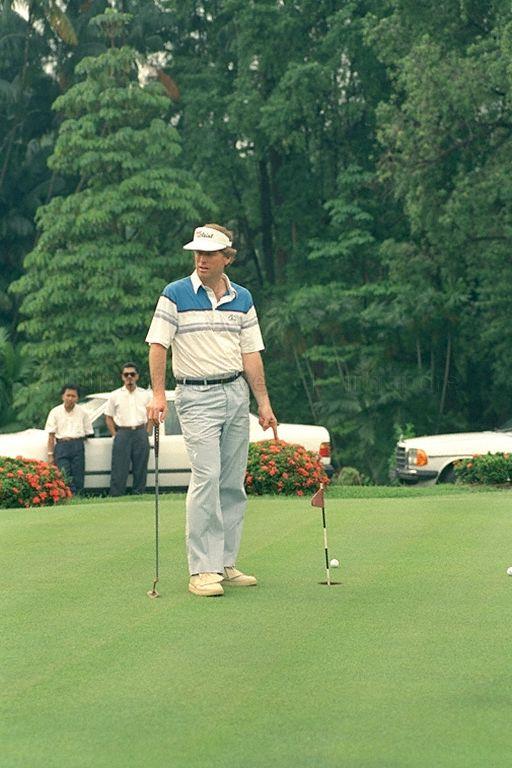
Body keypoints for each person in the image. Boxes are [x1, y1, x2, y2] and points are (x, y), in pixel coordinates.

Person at [146, 223, 278, 597]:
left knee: (232, 482)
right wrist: (158, 395)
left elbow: (251, 354)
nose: (201, 259)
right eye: (197, 253)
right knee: (207, 476)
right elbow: (158, 345)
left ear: (227, 257)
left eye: (209, 253)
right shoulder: (174, 294)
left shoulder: (242, 298)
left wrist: (264, 403)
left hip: (236, 393)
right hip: (195, 395)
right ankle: (202, 570)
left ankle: (224, 563)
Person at [104, 363, 152, 496]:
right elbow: (108, 417)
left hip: (140, 432)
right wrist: (115, 434)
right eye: (126, 374)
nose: (129, 377)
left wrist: (147, 431)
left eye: (132, 374)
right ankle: (117, 494)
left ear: (137, 376)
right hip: (123, 433)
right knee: (119, 466)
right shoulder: (115, 395)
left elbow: (151, 415)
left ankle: (139, 493)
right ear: (122, 377)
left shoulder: (146, 395)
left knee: (141, 465)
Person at [45, 384, 93, 494]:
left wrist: (77, 438)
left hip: (77, 445)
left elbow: (88, 432)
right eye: (68, 395)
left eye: (73, 396)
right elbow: (51, 436)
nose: (70, 398)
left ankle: (78, 497)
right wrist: (50, 455)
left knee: (78, 475)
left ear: (77, 398)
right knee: (63, 474)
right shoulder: (55, 412)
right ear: (63, 396)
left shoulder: (83, 413)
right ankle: (66, 497)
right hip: (62, 445)